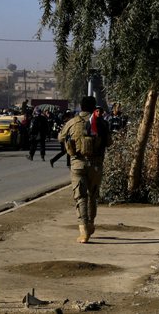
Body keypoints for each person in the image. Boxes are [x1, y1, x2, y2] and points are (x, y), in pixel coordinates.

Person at [58, 96, 112, 243]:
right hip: (96, 165)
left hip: (78, 164)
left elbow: (60, 137)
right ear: (94, 107)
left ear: (81, 107)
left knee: (80, 197)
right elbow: (109, 142)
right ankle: (91, 223)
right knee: (93, 196)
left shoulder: (72, 122)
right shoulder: (101, 122)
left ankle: (83, 230)